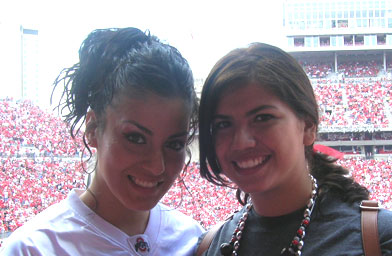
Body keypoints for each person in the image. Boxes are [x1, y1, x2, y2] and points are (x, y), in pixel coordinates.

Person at [0, 27, 204, 255]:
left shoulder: (193, 239)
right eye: (136, 138)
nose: (158, 166)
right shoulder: (32, 249)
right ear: (93, 129)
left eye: (174, 144)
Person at [197, 43, 392, 255]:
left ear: (308, 127)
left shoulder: (377, 238)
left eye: (263, 118)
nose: (241, 143)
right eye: (223, 125)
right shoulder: (210, 244)